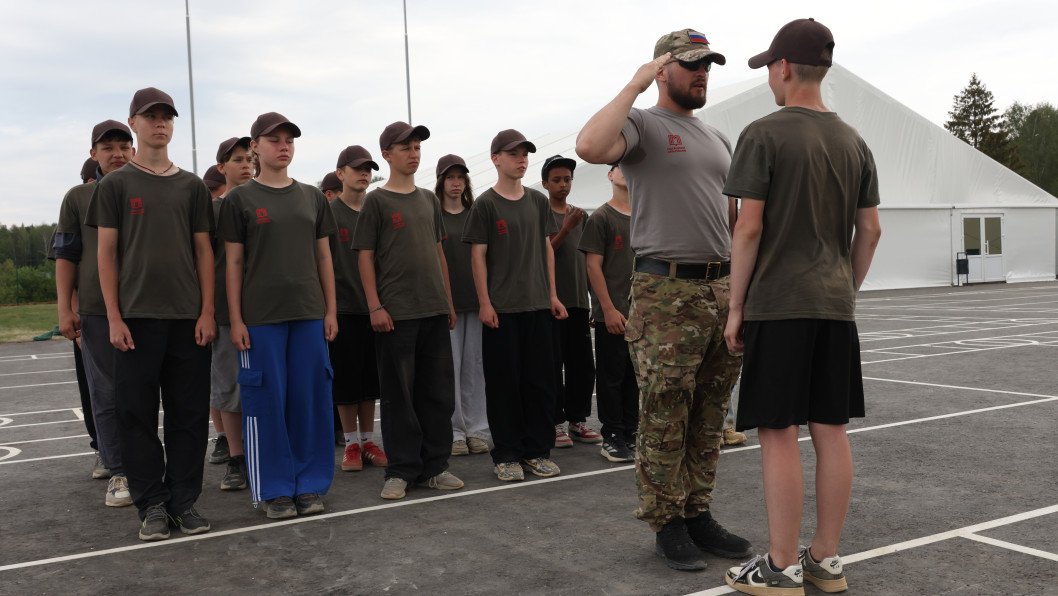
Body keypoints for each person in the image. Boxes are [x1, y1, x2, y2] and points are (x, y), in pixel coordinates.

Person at [576, 29, 751, 570]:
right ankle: (666, 522)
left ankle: (697, 513)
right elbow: (589, 148)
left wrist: (741, 291)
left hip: (719, 287)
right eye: (692, 64)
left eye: (708, 65)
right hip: (666, 290)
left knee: (710, 412)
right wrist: (634, 84)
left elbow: (733, 220)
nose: (703, 73)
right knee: (664, 410)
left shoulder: (718, 137)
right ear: (662, 69)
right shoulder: (642, 125)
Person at [721, 18, 881, 595]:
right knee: (832, 430)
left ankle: (781, 564)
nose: (769, 76)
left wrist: (735, 308)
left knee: (778, 431)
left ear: (784, 67)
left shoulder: (763, 134)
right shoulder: (854, 141)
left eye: (770, 67)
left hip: (779, 304)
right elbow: (871, 230)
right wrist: (845, 288)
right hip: (834, 305)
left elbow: (748, 228)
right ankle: (825, 559)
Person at [85, 88, 216, 541]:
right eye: (151, 116)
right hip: (136, 320)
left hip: (187, 319)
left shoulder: (192, 186)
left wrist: (207, 311)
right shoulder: (115, 185)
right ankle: (152, 505)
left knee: (189, 416)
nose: (160, 123)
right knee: (136, 415)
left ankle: (183, 501)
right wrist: (114, 317)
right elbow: (105, 255)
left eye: (167, 116)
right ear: (134, 123)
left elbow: (204, 252)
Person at [218, 112, 339, 519]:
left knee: (309, 401)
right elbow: (233, 263)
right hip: (260, 319)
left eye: (289, 140)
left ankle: (309, 484)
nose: (283, 146)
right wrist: (236, 319)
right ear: (255, 146)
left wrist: (330, 310)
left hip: (308, 314)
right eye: (274, 140)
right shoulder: (239, 200)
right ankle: (274, 489)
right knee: (266, 403)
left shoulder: (311, 197)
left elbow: (324, 257)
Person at [353, 121, 462, 501]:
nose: (414, 154)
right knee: (399, 396)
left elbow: (438, 252)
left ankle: (435, 467)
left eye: (417, 147)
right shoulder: (377, 201)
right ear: (387, 154)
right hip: (395, 313)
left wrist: (448, 302)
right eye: (405, 148)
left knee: (437, 394)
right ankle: (400, 470)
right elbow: (364, 257)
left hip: (433, 309)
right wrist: (374, 306)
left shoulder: (429, 200)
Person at [463, 129, 567, 483]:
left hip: (537, 306)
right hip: (502, 310)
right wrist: (484, 302)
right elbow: (477, 256)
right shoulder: (485, 204)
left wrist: (552, 295)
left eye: (525, 154)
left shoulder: (538, 201)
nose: (521, 159)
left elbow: (546, 248)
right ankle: (507, 454)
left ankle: (537, 451)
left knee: (540, 383)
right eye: (513, 154)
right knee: (504, 385)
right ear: (496, 159)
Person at [53, 120, 136, 505]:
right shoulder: (78, 197)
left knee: (146, 391)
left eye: (123, 146)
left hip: (149, 306)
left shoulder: (150, 188)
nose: (117, 154)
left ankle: (146, 464)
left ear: (134, 150)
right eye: (108, 148)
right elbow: (66, 255)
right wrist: (65, 309)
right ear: (93, 154)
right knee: (106, 393)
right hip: (97, 310)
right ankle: (119, 470)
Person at [330, 144, 388, 472]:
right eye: (357, 168)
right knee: (346, 381)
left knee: (370, 381)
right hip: (342, 309)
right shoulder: (329, 212)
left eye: (368, 169)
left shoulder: (374, 209)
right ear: (341, 173)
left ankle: (368, 440)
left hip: (375, 307)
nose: (364, 174)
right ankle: (351, 443)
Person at [579, 165, 637, 463]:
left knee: (635, 378)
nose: (625, 170)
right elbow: (593, 266)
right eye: (619, 166)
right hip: (612, 315)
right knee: (612, 377)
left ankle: (632, 431)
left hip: (644, 314)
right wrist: (608, 308)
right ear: (610, 175)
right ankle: (612, 435)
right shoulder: (601, 217)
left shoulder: (646, 214)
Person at [542, 154, 601, 449]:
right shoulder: (541, 214)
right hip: (552, 303)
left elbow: (589, 261)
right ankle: (555, 423)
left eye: (567, 179)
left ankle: (578, 420)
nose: (563, 185)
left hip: (579, 301)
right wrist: (565, 228)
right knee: (553, 365)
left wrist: (594, 300)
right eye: (557, 180)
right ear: (545, 183)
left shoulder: (581, 216)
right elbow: (543, 254)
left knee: (582, 365)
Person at [435, 154, 490, 457]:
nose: (456, 183)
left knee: (475, 367)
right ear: (441, 182)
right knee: (450, 369)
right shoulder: (434, 215)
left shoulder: (475, 214)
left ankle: (477, 428)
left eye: (460, 178)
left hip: (476, 301)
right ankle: (454, 431)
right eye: (450, 178)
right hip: (448, 304)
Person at [209, 136, 253, 491]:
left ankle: (263, 452)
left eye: (249, 158)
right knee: (229, 386)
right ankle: (236, 457)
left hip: (266, 310)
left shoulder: (264, 200)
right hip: (225, 312)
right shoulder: (212, 210)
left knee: (265, 385)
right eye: (237, 159)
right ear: (222, 167)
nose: (246, 165)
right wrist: (206, 311)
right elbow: (203, 264)